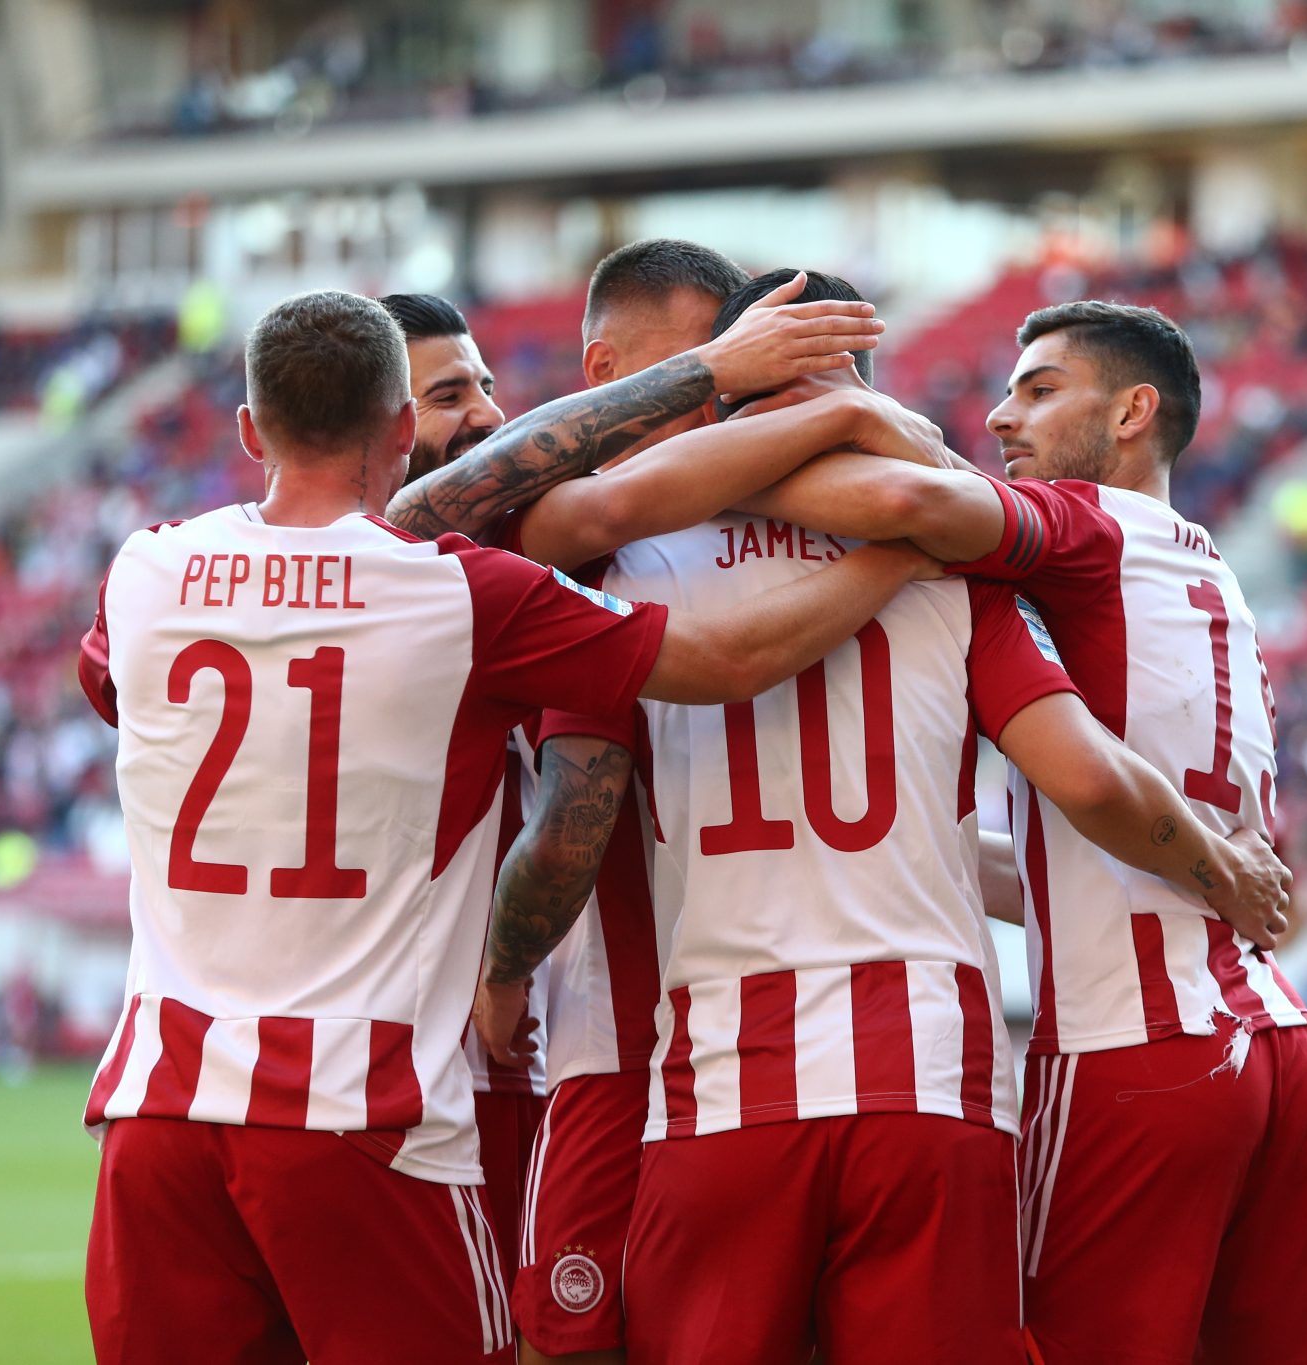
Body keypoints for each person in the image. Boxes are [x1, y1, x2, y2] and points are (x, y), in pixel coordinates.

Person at [76, 289, 938, 1365]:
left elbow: (127, 687)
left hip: (157, 1110)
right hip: (359, 1106)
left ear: (251, 430)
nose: (480, 411)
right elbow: (725, 662)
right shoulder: (454, 592)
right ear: (402, 426)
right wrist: (905, 552)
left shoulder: (146, 570)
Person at [473, 271, 1291, 1364]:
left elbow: (571, 807)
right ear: (866, 391)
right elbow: (1080, 773)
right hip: (931, 1078)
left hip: (721, 1075)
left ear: (726, 392)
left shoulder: (624, 566)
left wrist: (503, 969)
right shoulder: (958, 578)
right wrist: (1214, 868)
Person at [733, 298, 1307, 1363]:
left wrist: (711, 461)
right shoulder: (1206, 565)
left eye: (1038, 391)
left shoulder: (1082, 529)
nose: (1000, 416)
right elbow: (1090, 852)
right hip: (1272, 1040)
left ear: (1131, 414)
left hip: (1136, 1045)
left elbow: (901, 498)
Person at [388, 242, 925, 1364]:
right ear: (612, 372)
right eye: (718, 364)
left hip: (664, 1036)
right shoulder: (566, 540)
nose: (731, 398)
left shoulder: (668, 535)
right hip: (585, 1029)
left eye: (754, 368)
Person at [376, 290, 546, 1307]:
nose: (488, 412)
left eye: (485, 383)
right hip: (442, 1070)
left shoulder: (514, 558)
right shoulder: (450, 587)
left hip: (510, 1060)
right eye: (449, 396)